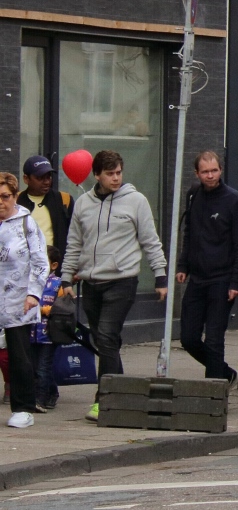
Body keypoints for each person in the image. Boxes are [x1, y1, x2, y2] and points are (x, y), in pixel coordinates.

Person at [62, 150, 167, 423]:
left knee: (107, 337)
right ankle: (123, 395)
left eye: (119, 172)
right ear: (97, 175)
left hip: (122, 281)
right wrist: (66, 277)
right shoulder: (83, 204)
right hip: (91, 283)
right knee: (104, 342)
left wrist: (160, 276)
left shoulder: (136, 201)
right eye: (110, 174)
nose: (116, 178)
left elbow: (150, 240)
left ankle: (104, 400)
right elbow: (74, 243)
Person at [177, 151, 238, 383]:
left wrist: (236, 282)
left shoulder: (234, 200)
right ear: (197, 173)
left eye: (214, 170)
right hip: (197, 278)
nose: (210, 176)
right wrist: (183, 265)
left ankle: (213, 393)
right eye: (205, 172)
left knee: (215, 339)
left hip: (222, 279)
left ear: (221, 170)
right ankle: (226, 374)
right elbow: (189, 233)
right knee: (188, 338)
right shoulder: (193, 195)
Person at [0, 171, 50, 429]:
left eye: (5, 196)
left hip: (18, 300)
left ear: (14, 196)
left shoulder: (26, 223)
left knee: (19, 356)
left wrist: (33, 293)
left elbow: (41, 263)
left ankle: (23, 407)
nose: (0, 202)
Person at [18, 155, 74, 256]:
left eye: (48, 177)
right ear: (26, 179)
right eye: (40, 178)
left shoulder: (64, 200)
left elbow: (75, 236)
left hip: (56, 266)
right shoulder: (16, 201)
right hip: (24, 265)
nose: (47, 182)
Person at [32, 246, 65, 412]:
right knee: (36, 366)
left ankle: (40, 399)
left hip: (49, 334)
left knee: (43, 367)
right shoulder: (30, 281)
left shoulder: (58, 285)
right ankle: (52, 392)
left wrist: (43, 310)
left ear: (53, 265)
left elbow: (63, 310)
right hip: (31, 333)